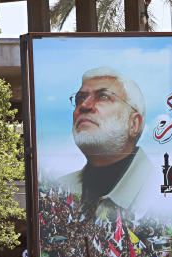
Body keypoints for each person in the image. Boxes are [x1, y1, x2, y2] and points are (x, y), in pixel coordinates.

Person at [56, 67, 159, 216]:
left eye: (103, 97)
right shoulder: (60, 188)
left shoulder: (156, 189)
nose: (84, 106)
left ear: (133, 124)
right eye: (79, 98)